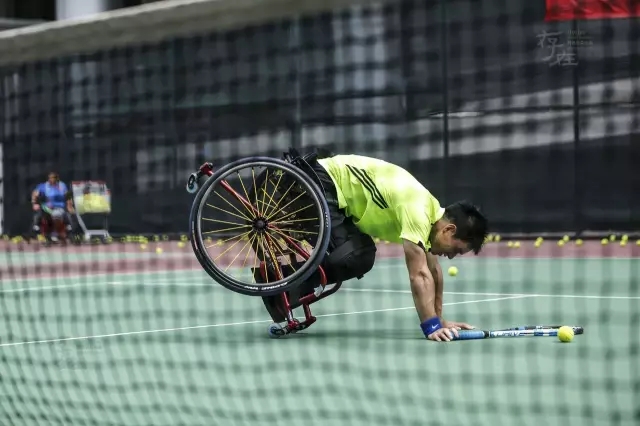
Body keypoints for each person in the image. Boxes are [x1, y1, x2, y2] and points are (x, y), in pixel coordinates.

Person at [259, 150, 489, 342]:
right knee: (354, 256)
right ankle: (281, 286)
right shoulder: (418, 209)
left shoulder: (430, 212)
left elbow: (433, 271)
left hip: (338, 199)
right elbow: (419, 274)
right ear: (449, 230)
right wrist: (431, 327)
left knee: (361, 255)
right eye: (457, 250)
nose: (451, 257)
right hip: (323, 182)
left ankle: (282, 287)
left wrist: (439, 320)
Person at [32, 172, 75, 238]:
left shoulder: (62, 185)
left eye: (54, 178)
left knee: (66, 213)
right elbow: (35, 194)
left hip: (60, 208)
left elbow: (68, 196)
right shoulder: (43, 186)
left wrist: (69, 205)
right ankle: (36, 225)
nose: (52, 179)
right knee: (42, 208)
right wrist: (35, 203)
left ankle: (69, 228)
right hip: (47, 208)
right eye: (51, 178)